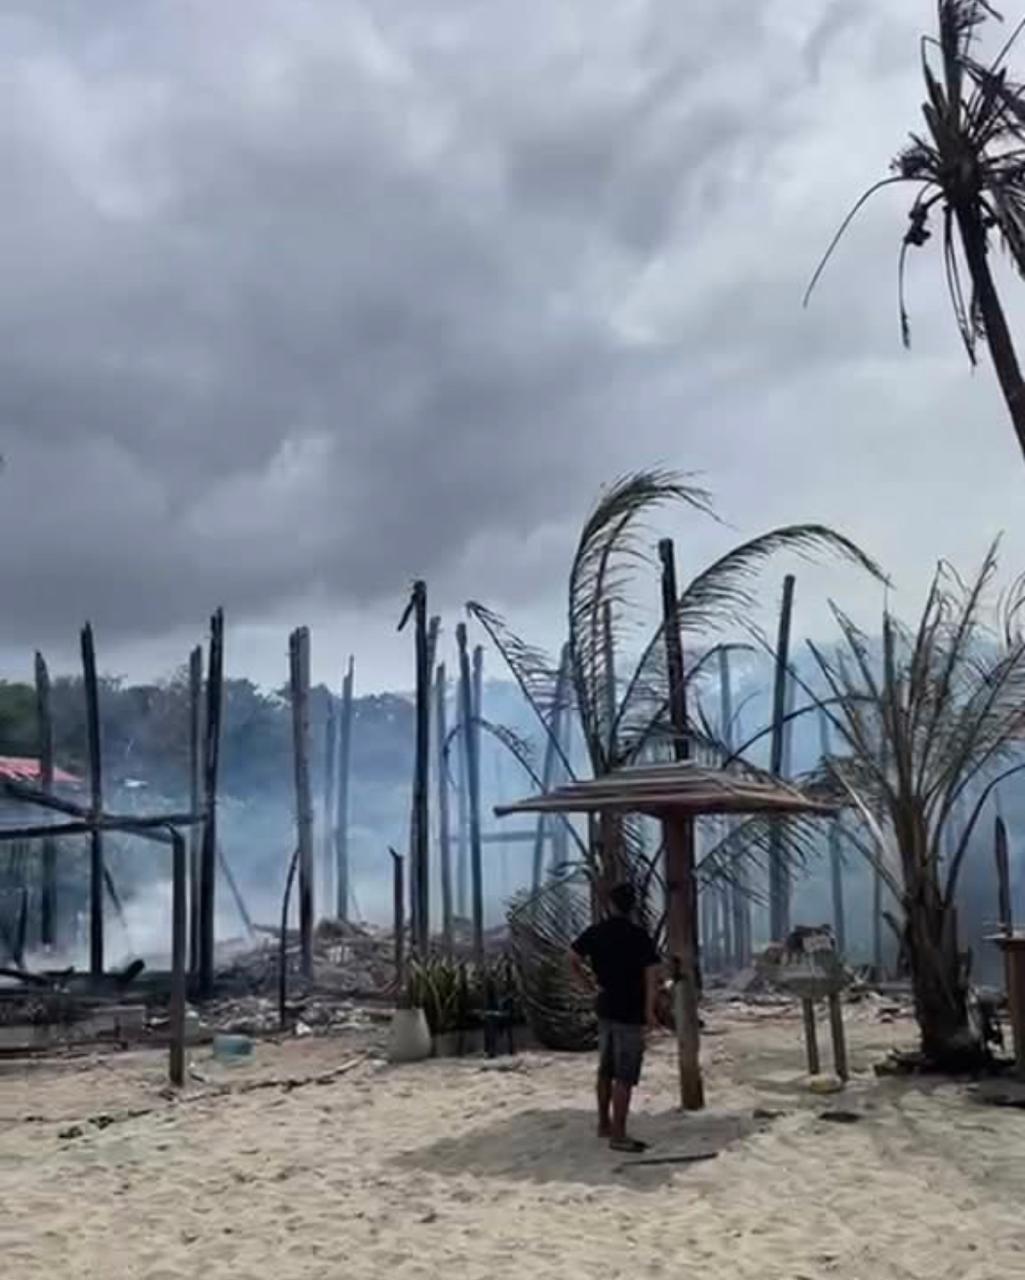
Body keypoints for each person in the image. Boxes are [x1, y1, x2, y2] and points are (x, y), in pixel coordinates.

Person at [570, 882, 661, 1153]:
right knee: (625, 1074)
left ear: (610, 904)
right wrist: (650, 1011)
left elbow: (571, 957)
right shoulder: (639, 936)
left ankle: (603, 1124)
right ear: (633, 906)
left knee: (605, 1069)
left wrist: (587, 985)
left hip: (606, 1004)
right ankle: (619, 1134)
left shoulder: (596, 933)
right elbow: (651, 977)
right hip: (630, 1011)